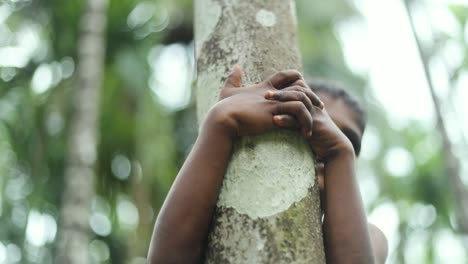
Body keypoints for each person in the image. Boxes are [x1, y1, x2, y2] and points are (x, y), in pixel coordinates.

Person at [147, 65, 388, 263]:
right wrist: (222, 122)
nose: (324, 138)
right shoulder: (212, 216)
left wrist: (339, 151)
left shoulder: (371, 238)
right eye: (307, 122)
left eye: (346, 139)